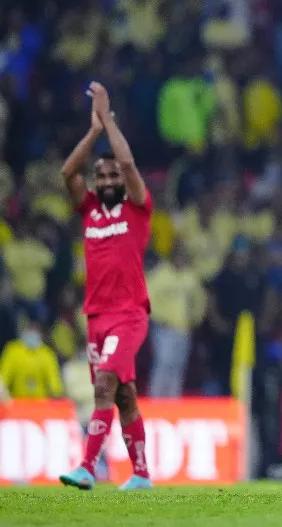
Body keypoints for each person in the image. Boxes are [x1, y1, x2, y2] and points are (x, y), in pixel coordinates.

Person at [58, 82, 154, 491]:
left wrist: (109, 119)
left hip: (129, 314)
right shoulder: (90, 211)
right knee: (125, 396)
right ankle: (142, 475)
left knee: (104, 386)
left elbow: (130, 165)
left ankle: (87, 466)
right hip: (95, 316)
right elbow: (68, 172)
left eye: (112, 171)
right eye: (103, 174)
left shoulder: (138, 208)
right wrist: (94, 131)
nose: (109, 176)